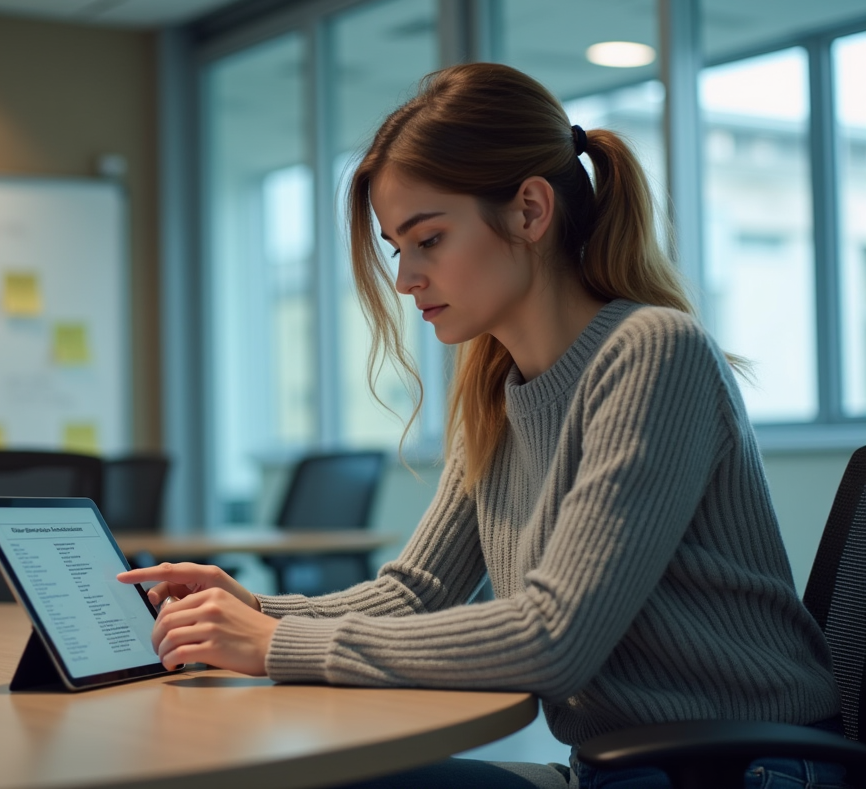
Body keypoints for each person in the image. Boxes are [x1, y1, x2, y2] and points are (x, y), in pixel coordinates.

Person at [117, 62, 845, 788]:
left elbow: (553, 639)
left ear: (530, 211)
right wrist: (250, 608)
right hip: (631, 768)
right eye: (397, 250)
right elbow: (415, 592)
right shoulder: (498, 389)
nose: (405, 280)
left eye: (428, 239)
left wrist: (276, 643)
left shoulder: (654, 352)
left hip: (752, 768)